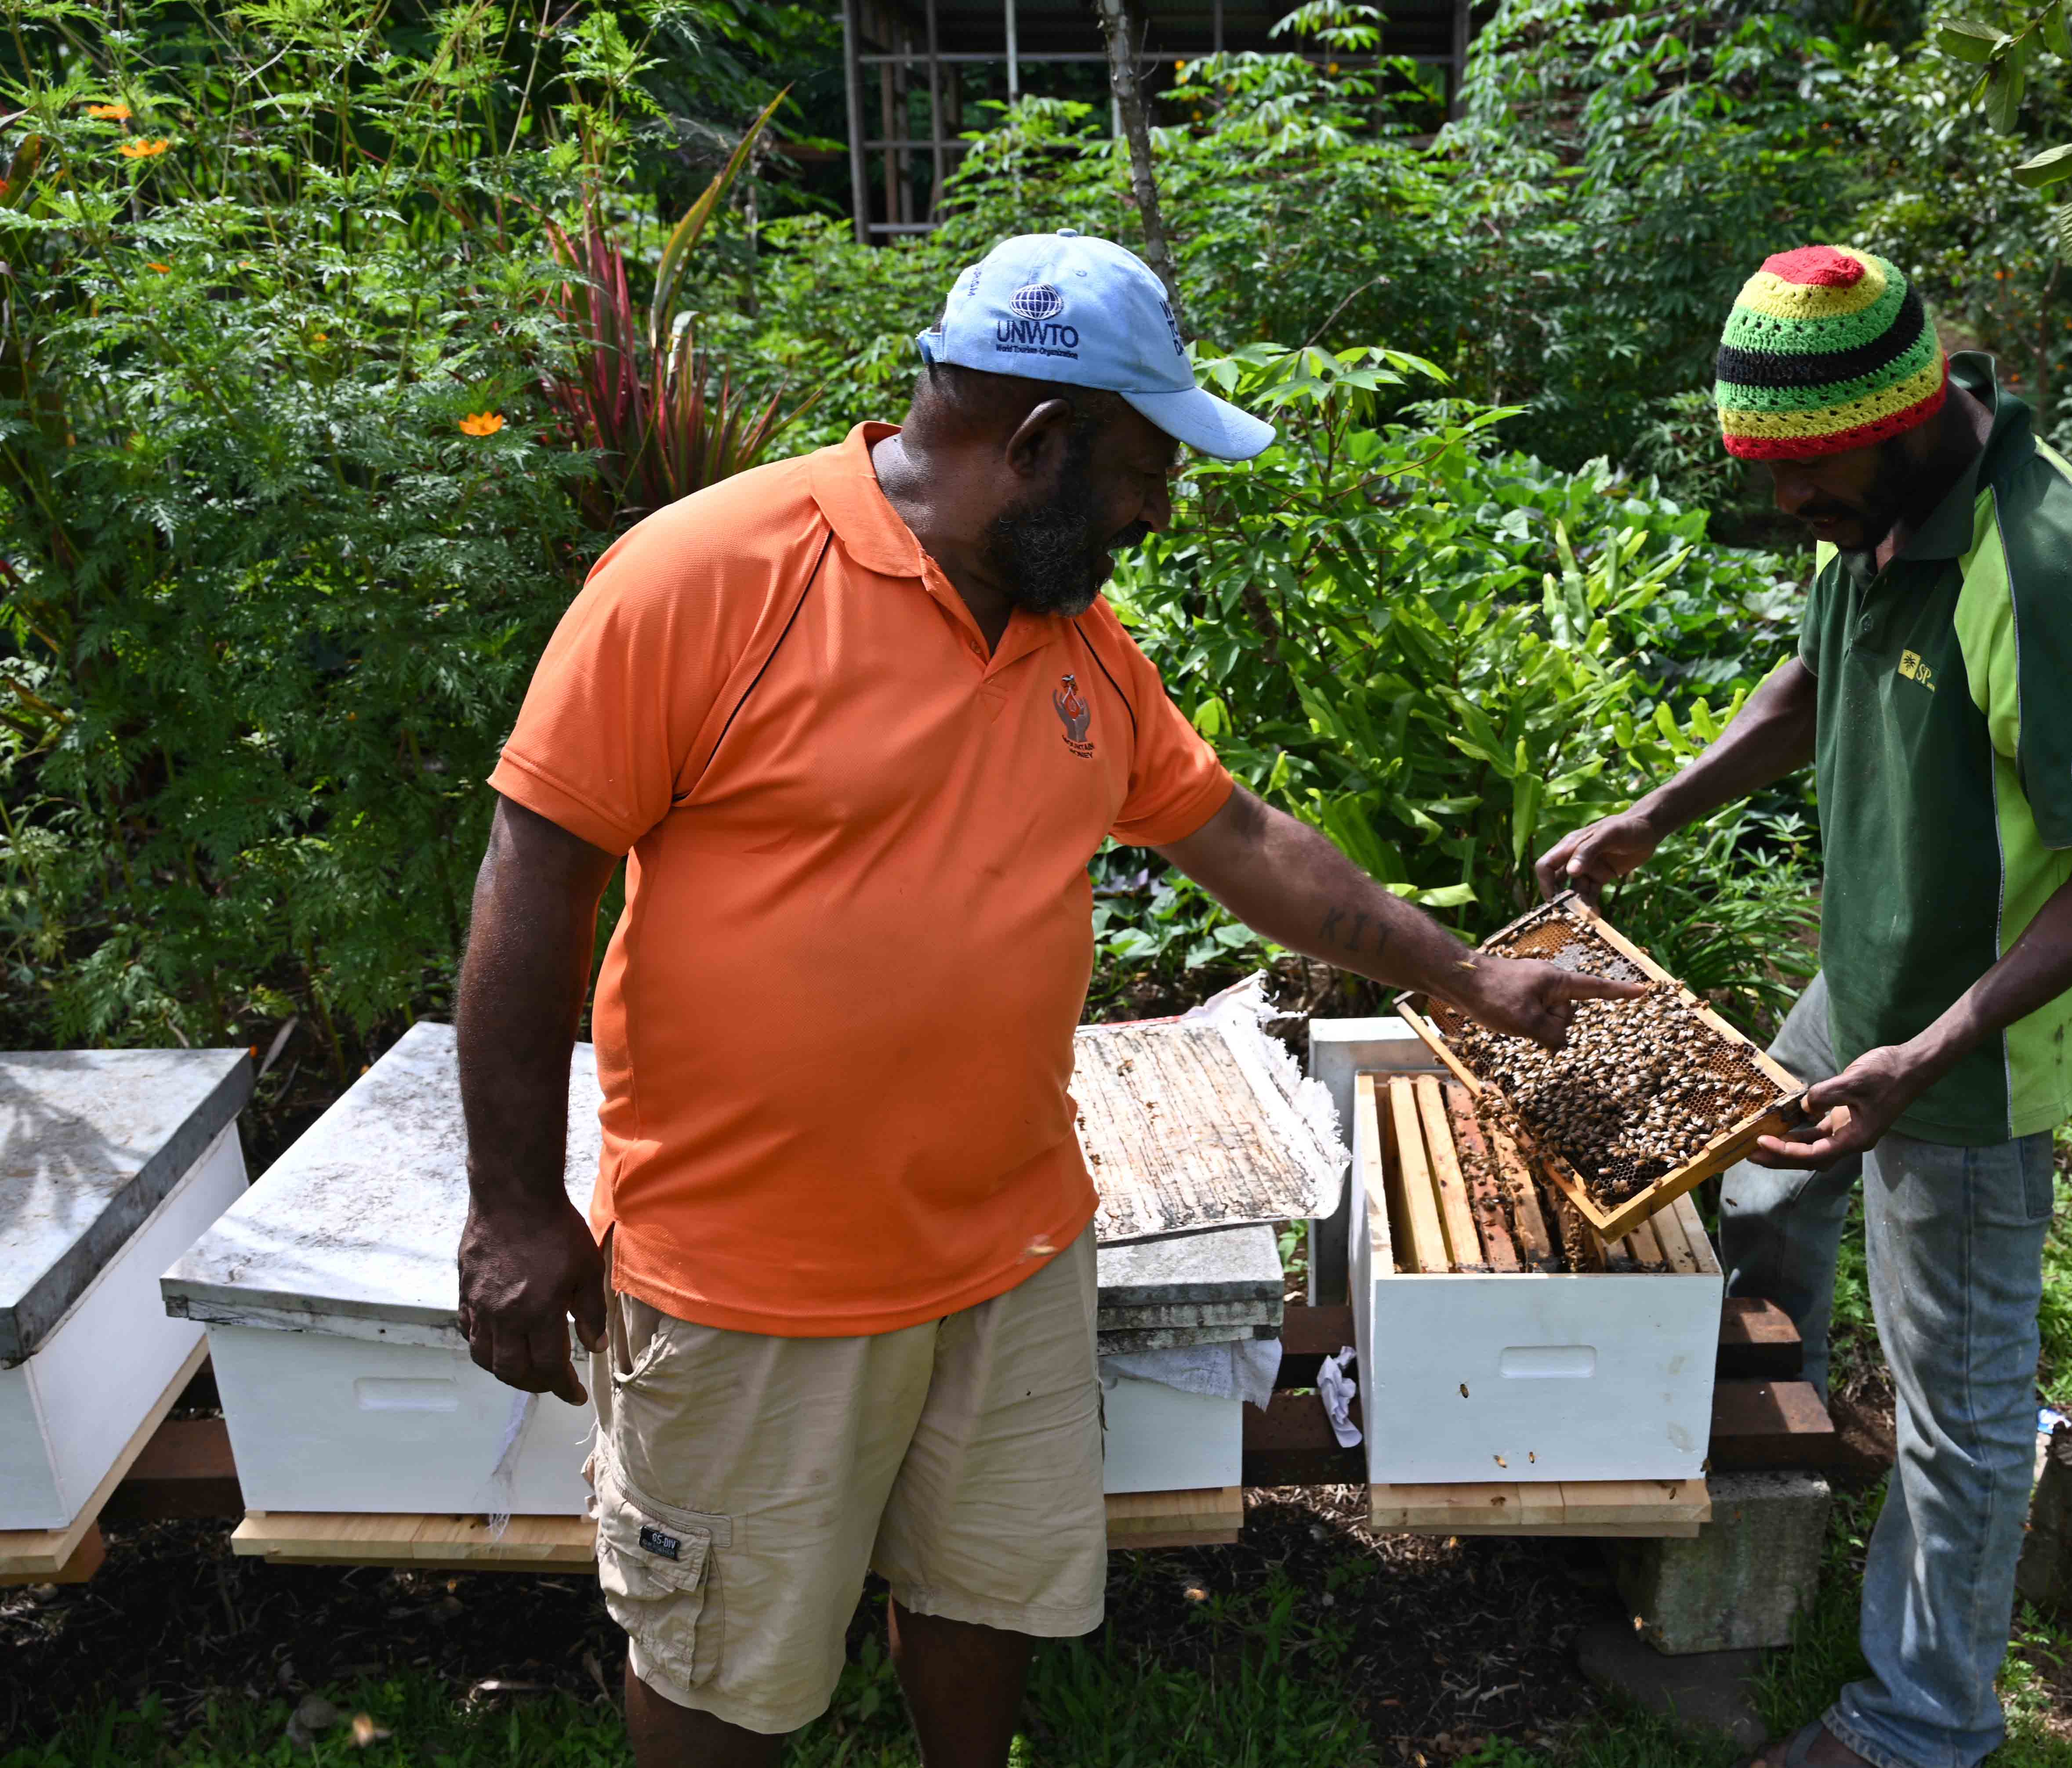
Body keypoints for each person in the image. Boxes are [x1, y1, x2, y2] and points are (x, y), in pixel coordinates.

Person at [455, 231, 1637, 1768]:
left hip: (1008, 1248)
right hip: (752, 1276)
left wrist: (1467, 974)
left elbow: (1239, 841)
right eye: (1146, 467)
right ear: (1037, 443)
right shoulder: (706, 576)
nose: (1160, 509)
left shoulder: (1078, 643)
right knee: (720, 1654)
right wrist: (513, 1205)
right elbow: (534, 876)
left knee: (987, 1587)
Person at [1537, 245, 2072, 1768]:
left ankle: (1921, 1721)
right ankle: (1760, 1508)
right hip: (1868, 981)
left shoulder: (2044, 569)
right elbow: (1811, 679)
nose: (1789, 515)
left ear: (1896, 429)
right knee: (1753, 1203)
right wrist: (1656, 811)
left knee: (1960, 1409)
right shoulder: (1880, 506)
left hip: (1978, 1049)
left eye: (1805, 484)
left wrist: (1936, 1049)